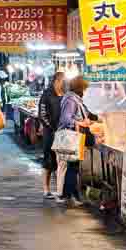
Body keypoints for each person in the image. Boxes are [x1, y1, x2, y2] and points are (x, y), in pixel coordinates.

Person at [53, 74, 94, 206]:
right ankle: (70, 196)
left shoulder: (75, 99)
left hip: (74, 137)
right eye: (85, 88)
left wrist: (98, 118)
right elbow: (66, 119)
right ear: (80, 88)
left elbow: (86, 113)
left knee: (73, 167)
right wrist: (81, 123)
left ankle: (69, 195)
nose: (86, 91)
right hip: (71, 137)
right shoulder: (71, 100)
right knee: (72, 167)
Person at [38, 71, 65, 201]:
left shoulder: (64, 94)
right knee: (48, 160)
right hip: (50, 133)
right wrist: (52, 128)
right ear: (56, 81)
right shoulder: (47, 94)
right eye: (62, 82)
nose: (64, 84)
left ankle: (59, 189)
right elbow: (42, 115)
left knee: (61, 161)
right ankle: (46, 189)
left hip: (63, 133)